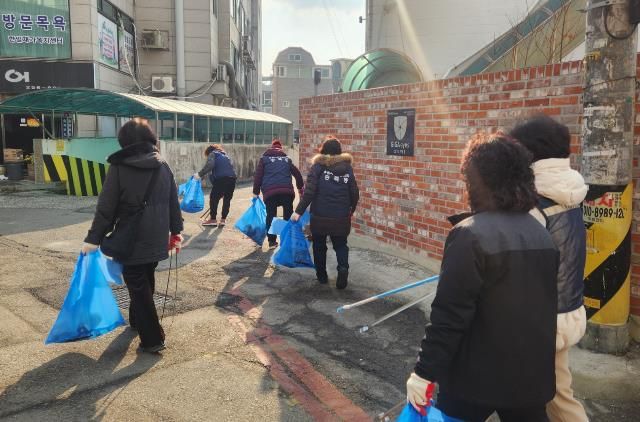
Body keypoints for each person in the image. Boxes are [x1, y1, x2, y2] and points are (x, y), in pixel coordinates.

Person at [406, 135, 559, 422]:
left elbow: (449, 314)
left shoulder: (469, 235)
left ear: (477, 181)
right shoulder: (541, 234)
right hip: (529, 377)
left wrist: (423, 373)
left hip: (473, 381)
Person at [510, 115, 589, 422]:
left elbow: (514, 267)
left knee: (501, 392)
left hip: (537, 321)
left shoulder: (533, 202)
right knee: (559, 395)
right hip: (568, 309)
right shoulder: (572, 191)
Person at [82, 118, 183, 353]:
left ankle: (153, 338)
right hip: (157, 236)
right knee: (145, 277)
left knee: (138, 284)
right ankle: (137, 321)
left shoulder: (119, 167)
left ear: (124, 141)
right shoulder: (162, 165)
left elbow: (106, 208)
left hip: (131, 238)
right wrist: (176, 231)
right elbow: (173, 202)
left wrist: (93, 239)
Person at [292, 136, 359, 289]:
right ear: (339, 151)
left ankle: (322, 276)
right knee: (341, 245)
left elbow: (309, 192)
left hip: (320, 216)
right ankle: (343, 268)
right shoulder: (347, 168)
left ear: (323, 150)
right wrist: (351, 209)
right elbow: (354, 192)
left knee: (319, 246)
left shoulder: (318, 167)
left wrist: (298, 212)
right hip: (341, 216)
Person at [253, 139, 304, 248]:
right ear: (280, 149)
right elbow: (297, 174)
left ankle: (272, 242)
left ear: (271, 148)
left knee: (271, 215)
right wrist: (300, 188)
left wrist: (255, 192)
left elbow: (258, 176)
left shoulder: (264, 159)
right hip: (286, 192)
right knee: (288, 215)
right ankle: (287, 240)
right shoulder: (286, 159)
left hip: (270, 192)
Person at [195, 144, 237, 227]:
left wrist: (199, 174)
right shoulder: (225, 156)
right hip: (232, 179)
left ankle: (213, 220)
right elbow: (230, 169)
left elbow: (209, 166)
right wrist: (221, 191)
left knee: (213, 198)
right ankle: (223, 220)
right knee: (227, 199)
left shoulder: (213, 154)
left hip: (222, 179)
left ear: (209, 151)